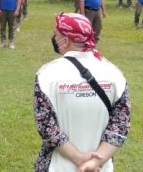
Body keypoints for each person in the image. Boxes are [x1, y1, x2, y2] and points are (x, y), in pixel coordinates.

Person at [35, 13, 131, 171]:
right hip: (101, 166)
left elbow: (46, 126)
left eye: (56, 34)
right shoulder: (115, 74)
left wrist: (79, 159)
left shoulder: (46, 75)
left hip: (57, 165)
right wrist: (95, 162)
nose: (54, 38)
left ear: (65, 41)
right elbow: (120, 126)